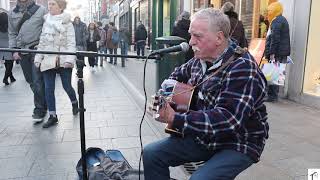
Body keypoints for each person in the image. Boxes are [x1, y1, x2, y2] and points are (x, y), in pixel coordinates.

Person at [143, 8, 269, 180]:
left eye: (198, 36)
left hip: (238, 142)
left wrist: (176, 118)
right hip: (205, 136)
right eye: (190, 35)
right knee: (151, 154)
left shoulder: (243, 68)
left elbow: (227, 120)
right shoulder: (198, 60)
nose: (191, 41)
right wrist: (164, 96)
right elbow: (175, 76)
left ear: (219, 38)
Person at [34, 0, 78, 128]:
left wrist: (70, 59)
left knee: (66, 86)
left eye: (53, 4)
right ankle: (53, 116)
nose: (50, 6)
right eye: (49, 4)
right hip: (48, 59)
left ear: (61, 7)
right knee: (48, 88)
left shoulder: (68, 24)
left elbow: (71, 43)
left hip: (64, 60)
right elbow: (42, 42)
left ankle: (74, 102)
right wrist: (38, 57)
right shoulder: (46, 22)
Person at [8, 0, 47, 121]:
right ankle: (44, 102)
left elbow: (47, 30)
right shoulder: (12, 13)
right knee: (30, 81)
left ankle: (39, 109)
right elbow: (12, 33)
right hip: (22, 51)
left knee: (37, 80)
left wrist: (41, 45)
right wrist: (14, 50)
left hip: (36, 50)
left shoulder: (41, 10)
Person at [264, 2, 290, 102]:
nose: (268, 13)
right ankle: (273, 95)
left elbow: (275, 38)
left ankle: (272, 96)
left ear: (275, 10)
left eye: (270, 11)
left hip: (277, 53)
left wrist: (271, 53)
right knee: (276, 73)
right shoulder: (280, 20)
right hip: (281, 52)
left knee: (273, 73)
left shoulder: (277, 21)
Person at [0, 11, 16, 86]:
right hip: (9, 46)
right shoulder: (9, 26)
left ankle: (11, 77)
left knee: (7, 63)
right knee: (10, 63)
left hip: (1, 47)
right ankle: (5, 78)